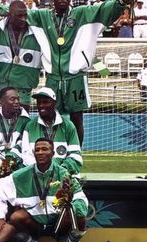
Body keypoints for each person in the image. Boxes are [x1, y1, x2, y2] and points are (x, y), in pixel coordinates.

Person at [23, 0, 129, 145]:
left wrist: (121, 3)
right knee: (49, 117)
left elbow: (106, 9)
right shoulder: (42, 16)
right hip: (53, 77)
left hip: (76, 77)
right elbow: (19, 11)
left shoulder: (84, 13)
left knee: (77, 118)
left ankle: (75, 154)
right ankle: (52, 154)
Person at [0, 138, 88, 242]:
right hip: (35, 224)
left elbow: (80, 198)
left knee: (80, 217)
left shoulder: (64, 174)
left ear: (53, 153)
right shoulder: (22, 175)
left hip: (58, 223)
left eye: (44, 149)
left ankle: (68, 241)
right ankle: (32, 241)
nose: (40, 152)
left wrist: (72, 207)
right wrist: (0, 218)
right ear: (34, 153)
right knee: (16, 217)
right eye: (37, 150)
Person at [0, 1, 41, 111]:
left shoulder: (38, 31)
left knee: (21, 125)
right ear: (8, 15)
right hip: (0, 86)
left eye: (25, 15)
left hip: (23, 89)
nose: (23, 19)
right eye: (19, 16)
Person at [20, 87, 82, 175]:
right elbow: (26, 156)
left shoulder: (68, 126)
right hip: (37, 177)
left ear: (54, 103)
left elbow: (75, 156)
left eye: (45, 102)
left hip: (64, 177)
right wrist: (42, 172)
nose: (41, 105)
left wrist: (59, 172)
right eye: (39, 102)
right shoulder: (30, 126)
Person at [0, 87, 30, 174]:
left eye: (18, 99)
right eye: (12, 99)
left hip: (18, 161)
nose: (17, 102)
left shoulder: (25, 120)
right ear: (2, 101)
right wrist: (0, 163)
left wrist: (9, 161)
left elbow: (22, 144)